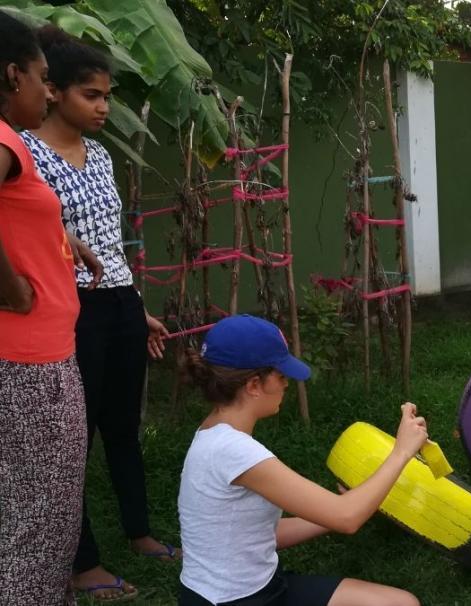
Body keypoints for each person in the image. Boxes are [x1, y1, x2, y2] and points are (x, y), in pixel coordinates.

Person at [20, 27, 174, 601]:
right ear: (53, 91)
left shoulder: (102, 153)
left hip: (118, 301)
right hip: (67, 307)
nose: (103, 106)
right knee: (73, 439)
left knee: (122, 427)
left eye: (107, 95)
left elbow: (110, 241)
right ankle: (81, 562)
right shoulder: (23, 152)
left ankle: (139, 531)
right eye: (91, 94)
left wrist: (137, 306)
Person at [178, 315, 423, 606]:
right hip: (234, 601)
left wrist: (325, 516)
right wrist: (402, 451)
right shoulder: (233, 451)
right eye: (281, 377)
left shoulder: (213, 435)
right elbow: (347, 517)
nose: (286, 385)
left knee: (402, 603)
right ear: (254, 385)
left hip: (259, 589)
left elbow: (259, 534)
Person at [0, 12, 87, 605]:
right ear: (13, 75)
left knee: (25, 519)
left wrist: (61, 239)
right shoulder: (3, 137)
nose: (47, 90)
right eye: (41, 78)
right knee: (39, 526)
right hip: (29, 368)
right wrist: (11, 288)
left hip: (31, 362)